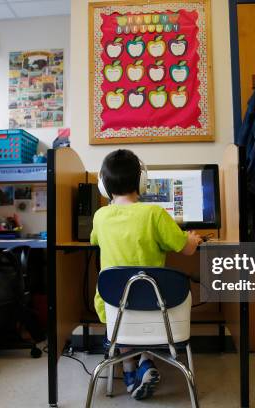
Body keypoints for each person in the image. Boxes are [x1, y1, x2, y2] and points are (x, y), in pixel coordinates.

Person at [91, 149, 202, 400]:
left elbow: (94, 239)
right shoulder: (155, 214)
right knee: (152, 300)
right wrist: (192, 239)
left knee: (126, 306)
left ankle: (130, 371)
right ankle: (145, 360)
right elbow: (185, 249)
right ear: (142, 182)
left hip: (114, 309)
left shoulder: (100, 216)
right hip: (157, 307)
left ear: (103, 186)